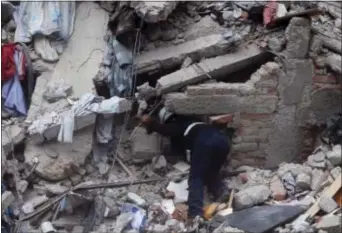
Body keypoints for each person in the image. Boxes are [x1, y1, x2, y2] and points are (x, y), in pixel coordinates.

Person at [140, 107, 231, 219]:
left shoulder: (178, 124)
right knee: (211, 172)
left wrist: (150, 123)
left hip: (205, 143)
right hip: (223, 141)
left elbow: (164, 129)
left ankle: (195, 213)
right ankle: (221, 191)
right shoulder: (197, 122)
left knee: (196, 177)